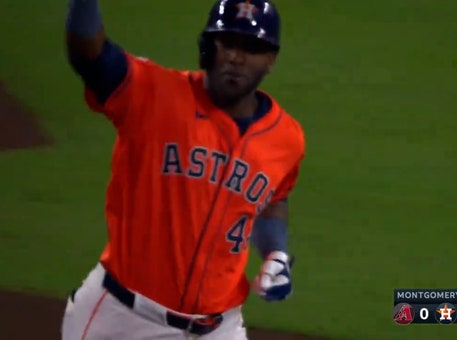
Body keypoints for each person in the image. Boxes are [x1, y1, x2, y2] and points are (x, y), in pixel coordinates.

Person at [61, 0, 305, 338]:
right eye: (227, 43)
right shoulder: (151, 92)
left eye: (251, 47)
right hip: (123, 319)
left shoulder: (286, 138)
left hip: (221, 327)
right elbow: (89, 54)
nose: (236, 56)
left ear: (271, 60)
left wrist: (275, 252)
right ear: (207, 47)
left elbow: (275, 196)